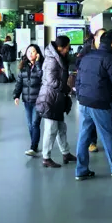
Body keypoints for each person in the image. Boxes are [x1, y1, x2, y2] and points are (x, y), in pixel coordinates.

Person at [74, 32, 112, 180]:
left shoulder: (86, 57)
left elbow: (77, 80)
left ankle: (81, 170)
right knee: (107, 135)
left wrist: (80, 96)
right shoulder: (110, 59)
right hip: (100, 103)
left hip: (84, 101)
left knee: (84, 136)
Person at [36, 36, 77, 168]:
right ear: (61, 47)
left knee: (61, 127)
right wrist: (66, 87)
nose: (68, 50)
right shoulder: (51, 60)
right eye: (67, 47)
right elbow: (51, 81)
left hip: (57, 98)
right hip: (50, 98)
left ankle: (65, 153)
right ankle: (46, 157)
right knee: (51, 129)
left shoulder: (58, 58)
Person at [14, 44, 44, 156]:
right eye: (29, 51)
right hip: (27, 100)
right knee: (30, 124)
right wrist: (16, 95)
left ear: (37, 54)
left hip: (38, 100)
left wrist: (37, 63)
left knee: (35, 123)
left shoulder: (41, 66)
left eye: (33, 51)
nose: (31, 53)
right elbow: (19, 83)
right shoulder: (23, 66)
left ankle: (33, 147)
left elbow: (42, 76)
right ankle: (34, 143)